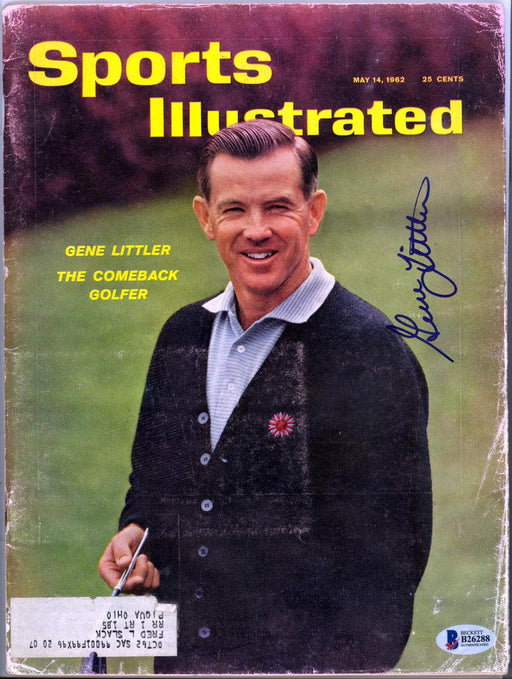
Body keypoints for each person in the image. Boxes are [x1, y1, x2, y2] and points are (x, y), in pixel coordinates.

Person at [98, 120, 432, 674]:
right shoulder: (182, 334)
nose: (256, 230)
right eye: (234, 210)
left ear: (314, 212)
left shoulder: (368, 351)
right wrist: (137, 530)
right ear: (206, 218)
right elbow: (155, 480)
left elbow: (389, 569)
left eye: (278, 207)